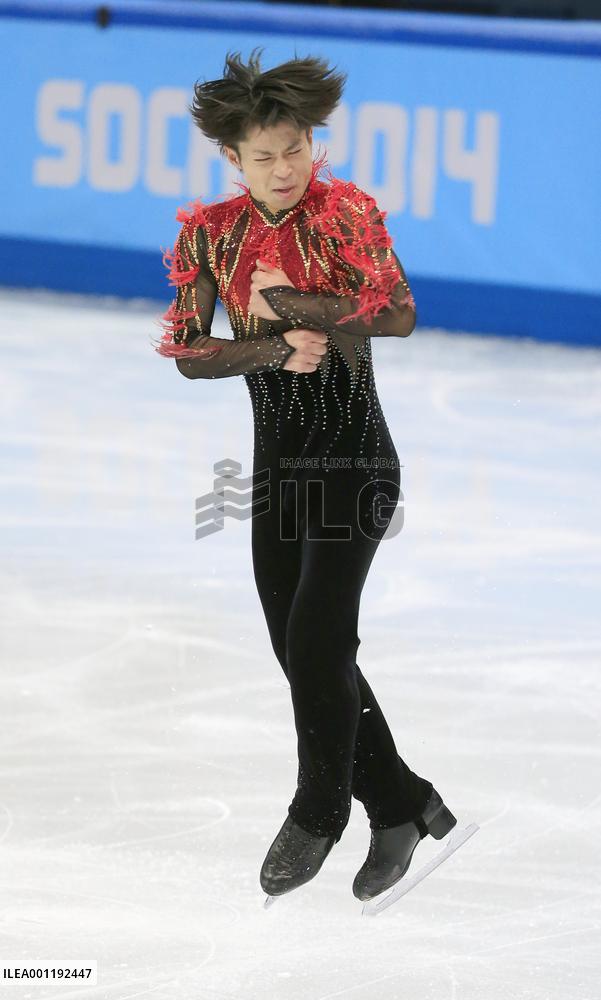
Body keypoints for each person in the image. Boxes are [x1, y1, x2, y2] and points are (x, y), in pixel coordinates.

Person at [153, 47, 457, 903]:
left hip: (356, 458)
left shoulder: (345, 214)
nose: (283, 169)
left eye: (294, 150)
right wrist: (270, 347)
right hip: (276, 470)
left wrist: (294, 301)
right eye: (263, 156)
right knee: (301, 649)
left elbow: (395, 313)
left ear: (311, 143)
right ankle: (403, 803)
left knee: (320, 640)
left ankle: (319, 807)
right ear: (231, 160)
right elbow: (185, 352)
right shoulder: (208, 234)